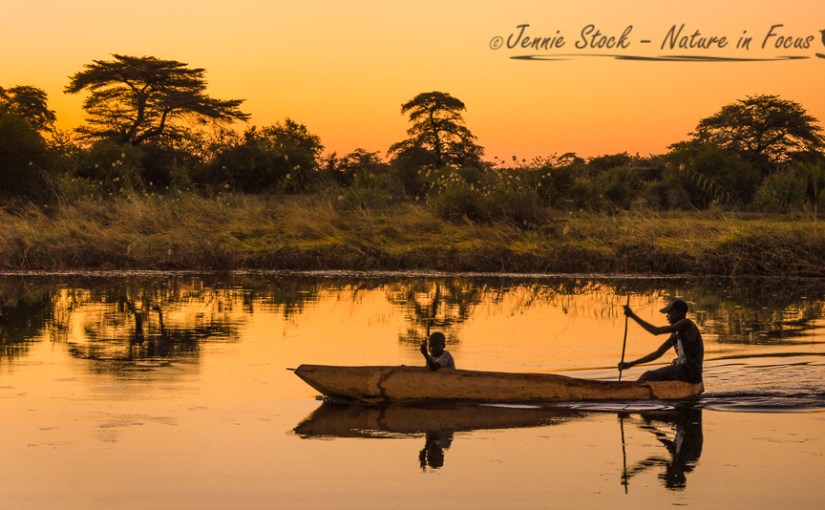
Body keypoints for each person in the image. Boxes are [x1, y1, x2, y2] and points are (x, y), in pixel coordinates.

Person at [618, 299, 703, 383]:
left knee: (648, 376)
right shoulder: (675, 334)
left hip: (691, 372)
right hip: (686, 371)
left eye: (669, 313)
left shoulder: (686, 324)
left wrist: (632, 316)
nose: (667, 317)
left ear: (678, 313)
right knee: (653, 376)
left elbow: (656, 331)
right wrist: (631, 364)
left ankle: (635, 390)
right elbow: (658, 353)